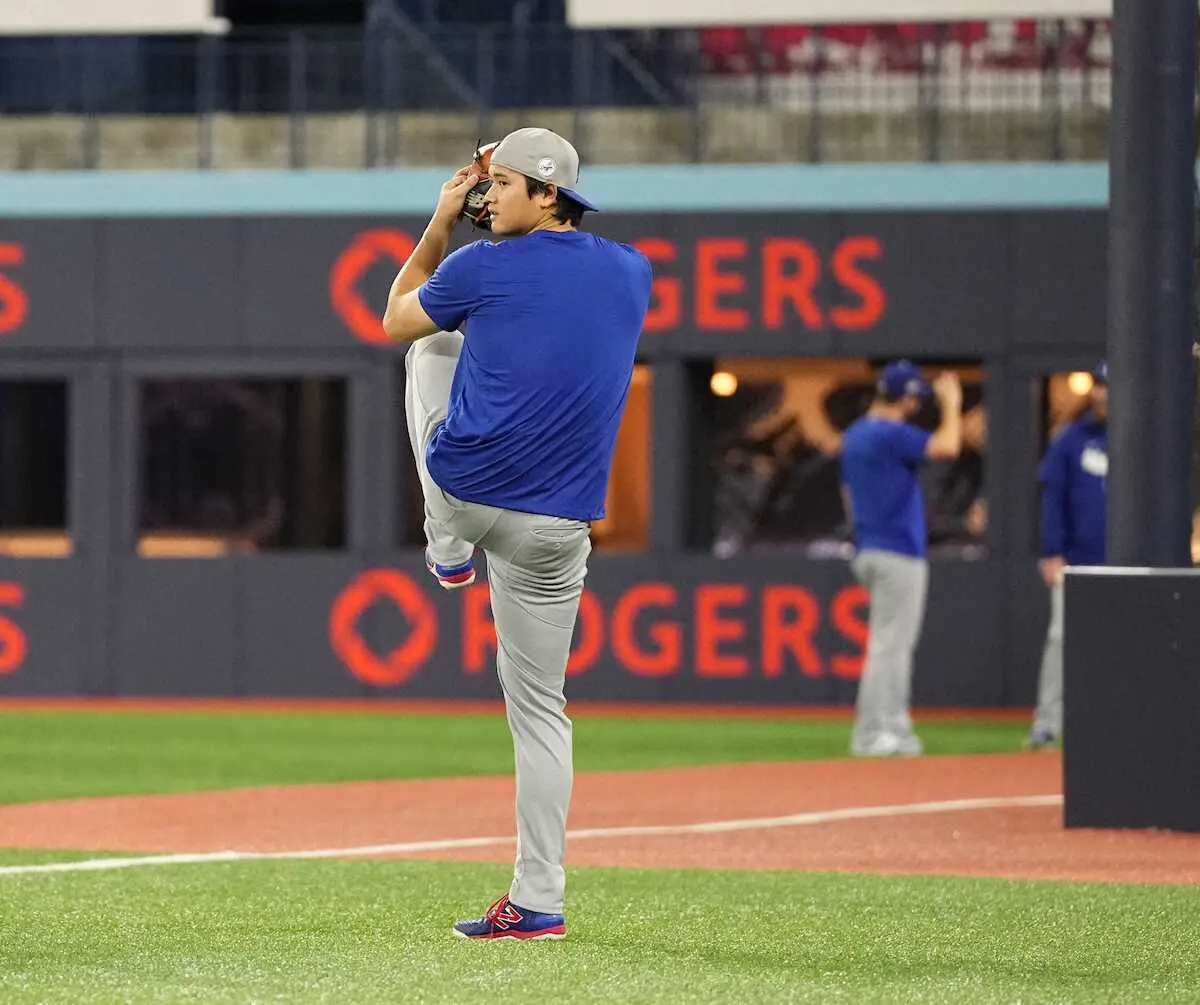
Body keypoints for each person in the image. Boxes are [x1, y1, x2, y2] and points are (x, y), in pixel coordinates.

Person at [380, 127, 652, 940]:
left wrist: (439, 221)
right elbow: (556, 328)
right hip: (558, 527)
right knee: (542, 712)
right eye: (485, 183)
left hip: (466, 494)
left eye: (501, 183)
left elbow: (394, 316)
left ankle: (445, 548)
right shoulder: (632, 271)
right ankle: (539, 898)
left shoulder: (478, 265)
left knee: (430, 344)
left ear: (547, 192)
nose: (485, 195)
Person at [839, 361, 963, 757]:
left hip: (868, 546)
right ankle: (874, 732)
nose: (917, 405)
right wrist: (952, 405)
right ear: (905, 398)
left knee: (889, 644)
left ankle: (892, 725)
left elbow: (846, 493)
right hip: (897, 550)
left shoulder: (856, 433)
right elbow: (948, 446)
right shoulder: (889, 433)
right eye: (914, 398)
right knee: (891, 646)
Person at [1028, 362, 1108, 750]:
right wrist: (1051, 551)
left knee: (1126, 644)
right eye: (1100, 385)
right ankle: (1048, 722)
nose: (1104, 393)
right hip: (1078, 559)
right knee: (1062, 640)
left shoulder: (1144, 438)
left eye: (1111, 386)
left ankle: (1119, 723)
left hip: (1130, 562)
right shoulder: (1071, 439)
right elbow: (1052, 497)